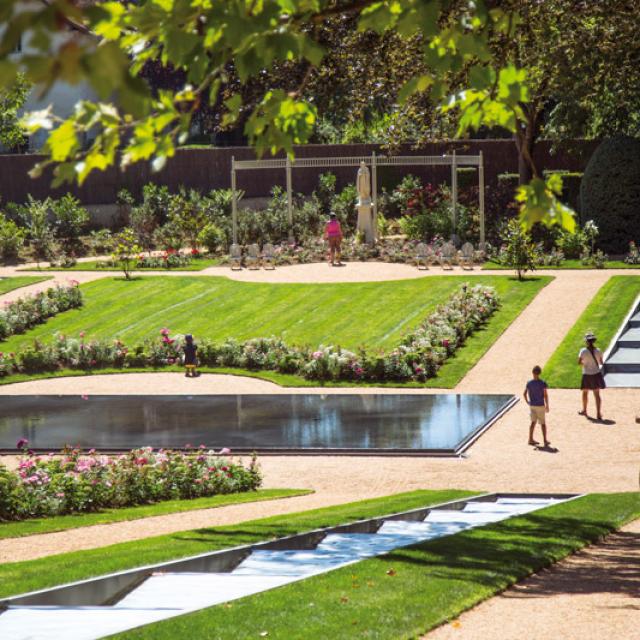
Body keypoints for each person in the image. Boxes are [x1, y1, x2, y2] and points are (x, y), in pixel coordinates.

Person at [578, 332, 605, 419]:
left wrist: (585, 363)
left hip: (586, 374)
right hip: (596, 374)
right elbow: (601, 362)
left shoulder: (583, 351)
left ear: (586, 341)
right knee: (597, 394)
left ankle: (584, 410)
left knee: (585, 393)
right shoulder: (598, 350)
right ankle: (598, 413)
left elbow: (579, 362)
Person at [523, 365, 550, 447]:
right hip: (540, 405)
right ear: (540, 373)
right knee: (543, 424)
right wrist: (547, 405)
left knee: (533, 422)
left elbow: (524, 394)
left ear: (532, 372)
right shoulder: (543, 383)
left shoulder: (529, 383)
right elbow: (545, 395)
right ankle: (545, 440)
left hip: (532, 405)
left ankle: (530, 439)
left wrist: (528, 402)